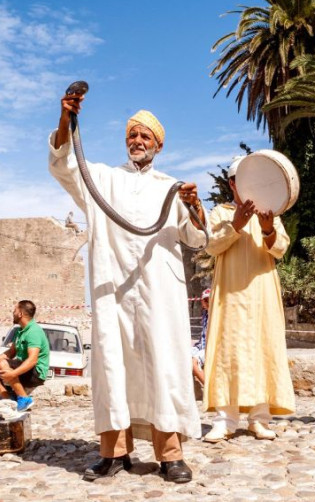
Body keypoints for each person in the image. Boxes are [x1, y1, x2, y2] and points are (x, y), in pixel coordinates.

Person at [49, 92, 207, 484]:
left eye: (145, 137)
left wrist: (195, 205)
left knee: (164, 367)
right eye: (132, 135)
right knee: (111, 366)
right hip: (112, 289)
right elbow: (64, 164)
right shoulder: (102, 178)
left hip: (160, 294)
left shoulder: (172, 186)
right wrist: (65, 120)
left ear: (158, 145)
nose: (137, 141)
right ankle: (113, 454)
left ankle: (170, 455)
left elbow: (198, 238)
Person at [202, 156, 296, 443]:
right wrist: (237, 224)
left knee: (262, 348)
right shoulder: (220, 213)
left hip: (261, 294)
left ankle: (260, 418)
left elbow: (280, 248)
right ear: (233, 183)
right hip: (229, 295)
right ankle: (225, 420)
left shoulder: (271, 214)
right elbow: (212, 245)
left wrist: (267, 229)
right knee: (228, 351)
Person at [0, 300, 50, 411]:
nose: (12, 313)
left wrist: (12, 374)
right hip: (23, 368)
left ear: (20, 314)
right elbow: (10, 353)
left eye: (14, 310)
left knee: (2, 364)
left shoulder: (34, 331)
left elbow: (32, 360)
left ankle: (24, 398)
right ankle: (7, 400)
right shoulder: (20, 331)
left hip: (35, 373)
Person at [191, 288, 210, 386]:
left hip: (208, 348)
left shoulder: (214, 314)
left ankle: (208, 389)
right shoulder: (205, 313)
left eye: (208, 300)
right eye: (205, 300)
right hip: (200, 346)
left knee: (193, 364)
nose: (205, 302)